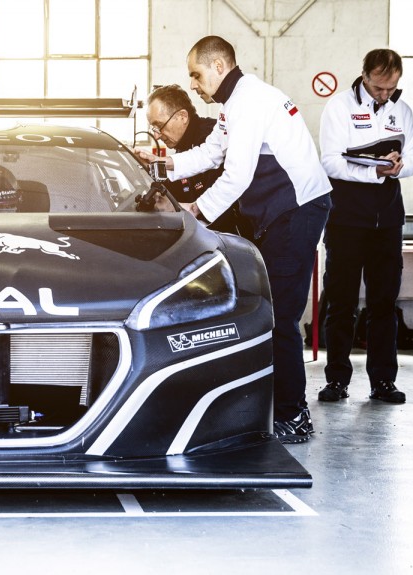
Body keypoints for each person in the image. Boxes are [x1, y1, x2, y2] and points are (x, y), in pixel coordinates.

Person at [136, 36, 332, 443]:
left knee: (280, 317)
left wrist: (194, 212)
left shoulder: (249, 101)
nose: (193, 84)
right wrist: (163, 162)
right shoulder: (235, 104)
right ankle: (284, 408)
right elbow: (211, 152)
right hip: (282, 214)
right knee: (273, 312)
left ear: (219, 66)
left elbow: (237, 175)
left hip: (297, 211)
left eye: (197, 74)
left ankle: (294, 415)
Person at [317, 49, 413, 405]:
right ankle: (337, 380)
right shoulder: (339, 107)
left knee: (383, 304)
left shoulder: (401, 110)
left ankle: (383, 383)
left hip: (388, 220)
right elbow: (329, 162)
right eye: (378, 87)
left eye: (391, 88)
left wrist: (396, 167)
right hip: (346, 219)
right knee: (341, 303)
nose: (384, 94)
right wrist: (371, 169)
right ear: (364, 76)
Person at [146, 84, 251, 238]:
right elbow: (176, 190)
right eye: (153, 128)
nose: (157, 136)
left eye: (160, 126)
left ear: (182, 116)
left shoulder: (210, 136)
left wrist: (189, 208)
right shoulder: (183, 146)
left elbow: (223, 210)